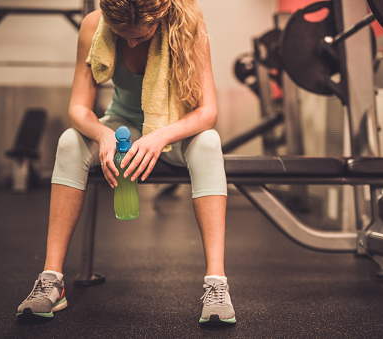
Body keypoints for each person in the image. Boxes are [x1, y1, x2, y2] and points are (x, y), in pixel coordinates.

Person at [16, 0, 235, 325]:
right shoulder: (93, 25)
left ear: (158, 17)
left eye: (141, 34)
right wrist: (103, 134)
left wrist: (160, 136)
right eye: (123, 34)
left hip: (174, 127)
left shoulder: (187, 24)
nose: (131, 42)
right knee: (69, 142)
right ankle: (51, 280)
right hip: (122, 124)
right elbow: (78, 108)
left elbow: (207, 113)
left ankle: (217, 284)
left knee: (209, 143)